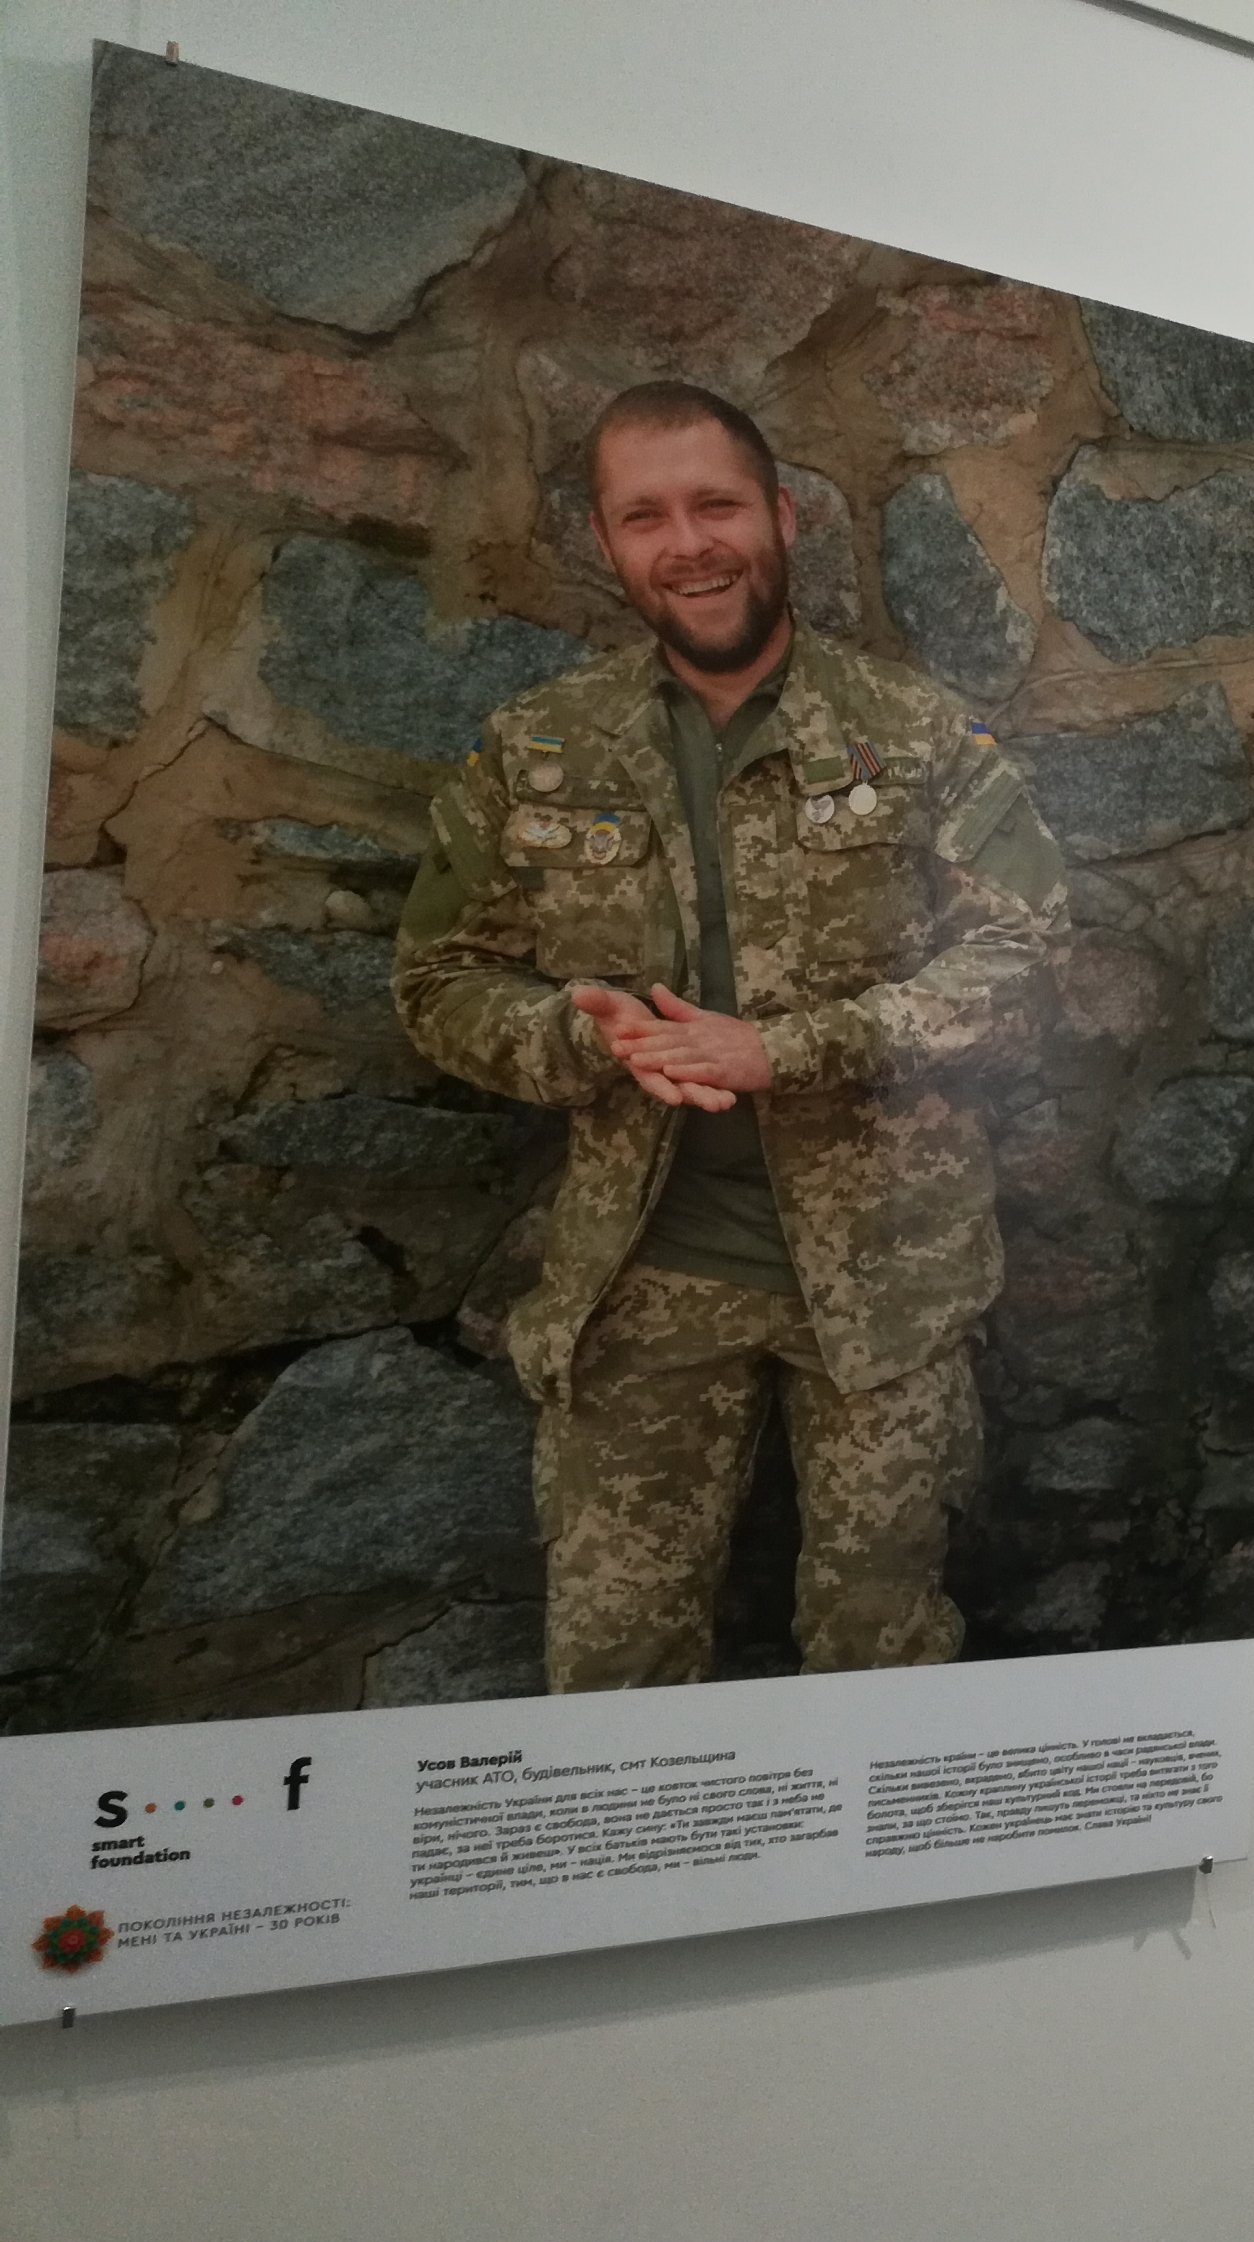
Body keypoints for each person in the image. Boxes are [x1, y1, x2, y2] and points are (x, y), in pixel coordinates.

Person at [394, 381, 1069, 1692]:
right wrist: (572, 1035)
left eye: (716, 505)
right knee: (614, 1671)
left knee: (881, 1658)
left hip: (889, 1282)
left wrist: (792, 1048)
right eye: (646, 516)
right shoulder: (536, 749)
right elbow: (438, 980)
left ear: (782, 516)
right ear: (606, 540)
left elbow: (1028, 964)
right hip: (642, 1283)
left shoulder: (921, 735)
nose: (689, 544)